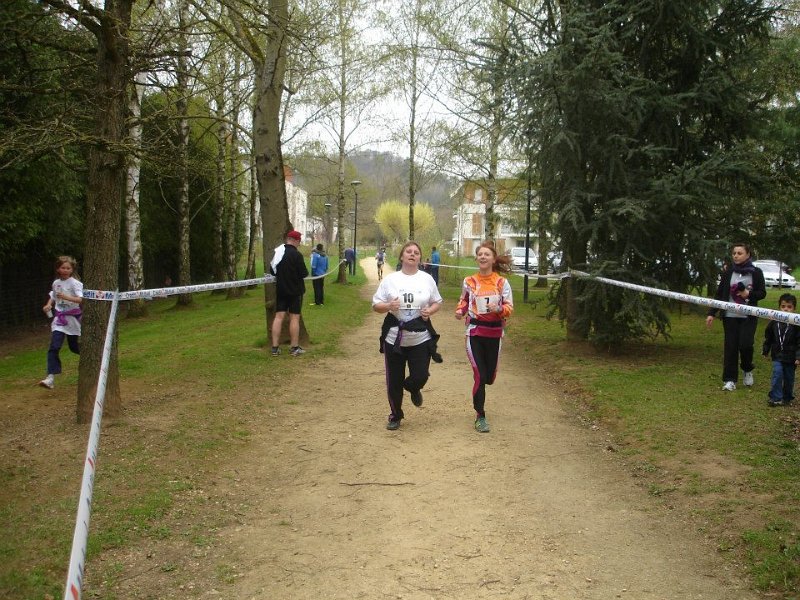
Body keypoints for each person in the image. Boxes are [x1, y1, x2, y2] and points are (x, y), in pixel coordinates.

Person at [372, 241, 443, 430]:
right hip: (394, 338)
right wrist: (389, 306)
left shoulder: (427, 279)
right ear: (402, 256)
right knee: (394, 380)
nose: (412, 254)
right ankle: (395, 415)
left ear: (420, 258)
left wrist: (430, 311)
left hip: (420, 338)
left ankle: (413, 387)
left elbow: (437, 301)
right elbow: (376, 305)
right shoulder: (390, 280)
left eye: (416, 252)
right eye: (409, 251)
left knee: (420, 376)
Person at [454, 241, 514, 433]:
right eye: (480, 254)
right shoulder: (469, 281)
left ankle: (486, 382)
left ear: (493, 259)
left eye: (486, 254)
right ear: (476, 259)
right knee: (479, 375)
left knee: (489, 377)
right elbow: (464, 300)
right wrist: (460, 310)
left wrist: (499, 309)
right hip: (475, 331)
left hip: (494, 333)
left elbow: (509, 308)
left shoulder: (501, 283)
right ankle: (480, 415)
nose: (482, 257)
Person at [706, 243, 766, 391]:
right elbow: (720, 294)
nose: (736, 256)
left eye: (739, 253)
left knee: (745, 345)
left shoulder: (756, 272)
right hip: (730, 317)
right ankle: (729, 380)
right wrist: (712, 313)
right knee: (731, 347)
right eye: (734, 253)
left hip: (748, 317)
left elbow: (762, 293)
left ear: (748, 255)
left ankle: (747, 369)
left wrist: (748, 294)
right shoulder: (728, 272)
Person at [39, 256, 83, 389]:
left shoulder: (75, 283)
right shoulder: (56, 283)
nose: (65, 270)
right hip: (59, 320)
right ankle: (50, 377)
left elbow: (80, 299)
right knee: (54, 347)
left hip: (72, 319)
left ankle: (93, 357)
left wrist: (66, 297)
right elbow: (53, 296)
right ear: (58, 269)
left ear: (72, 269)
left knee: (74, 347)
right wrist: (48, 305)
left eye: (68, 268)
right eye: (63, 268)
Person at [270, 230, 309, 356]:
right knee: (294, 318)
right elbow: (304, 273)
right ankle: (294, 347)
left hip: (281, 290)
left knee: (278, 317)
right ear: (295, 240)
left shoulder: (278, 253)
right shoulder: (297, 255)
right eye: (299, 241)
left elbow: (272, 270)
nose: (299, 244)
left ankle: (275, 348)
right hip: (295, 292)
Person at [762, 293, 800, 407]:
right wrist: (766, 350)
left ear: (794, 309)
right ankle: (776, 397)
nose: (786, 309)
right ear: (779, 307)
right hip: (777, 355)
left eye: (789, 307)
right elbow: (769, 337)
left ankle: (787, 397)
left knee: (789, 378)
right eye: (783, 306)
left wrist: (798, 356)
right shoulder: (774, 322)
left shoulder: (796, 324)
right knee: (777, 374)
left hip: (791, 357)